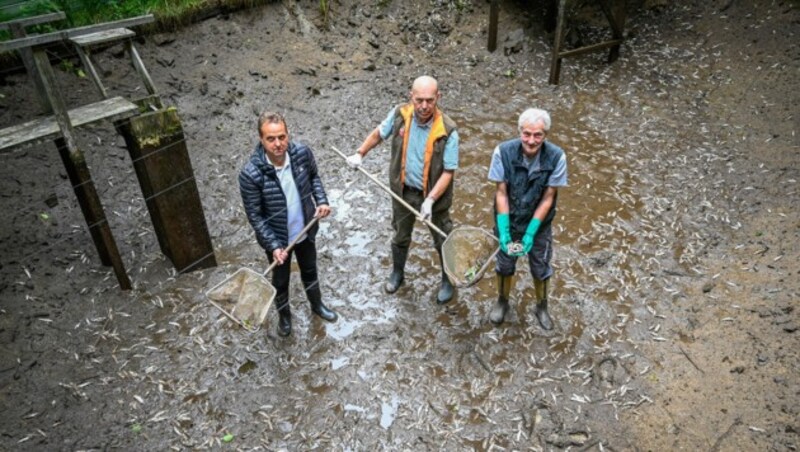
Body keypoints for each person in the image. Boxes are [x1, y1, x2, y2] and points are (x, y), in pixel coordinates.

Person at [346, 75, 459, 305]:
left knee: (443, 237)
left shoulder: (448, 130)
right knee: (400, 234)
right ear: (411, 97)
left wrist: (431, 200)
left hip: (434, 197)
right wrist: (360, 153)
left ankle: (448, 280)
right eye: (419, 100)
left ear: (438, 97)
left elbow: (448, 172)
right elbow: (379, 133)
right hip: (403, 191)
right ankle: (398, 273)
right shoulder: (400, 114)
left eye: (429, 100)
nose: (424, 106)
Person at [239, 112, 337, 337]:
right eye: (271, 139)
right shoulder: (250, 174)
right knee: (280, 280)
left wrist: (321, 201)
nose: (278, 144)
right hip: (279, 241)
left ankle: (317, 306)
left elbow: (314, 178)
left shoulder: (302, 153)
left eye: (282, 137)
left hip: (305, 229)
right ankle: (285, 317)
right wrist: (273, 245)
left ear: (287, 134)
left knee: (310, 270)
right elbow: (255, 217)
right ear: (261, 139)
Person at [487, 108, 568, 328]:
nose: (531, 141)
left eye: (538, 135)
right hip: (509, 219)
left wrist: (531, 232)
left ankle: (542, 305)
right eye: (526, 134)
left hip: (539, 224)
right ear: (520, 131)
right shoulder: (502, 152)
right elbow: (501, 193)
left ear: (546, 135)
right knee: (504, 265)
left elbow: (548, 198)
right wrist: (504, 231)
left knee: (540, 267)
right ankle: (502, 301)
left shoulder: (557, 157)